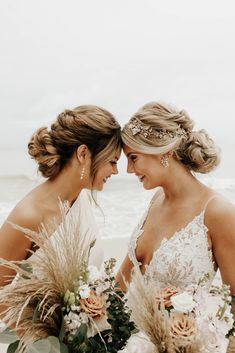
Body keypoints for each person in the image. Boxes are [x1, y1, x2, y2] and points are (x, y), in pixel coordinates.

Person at [116, 102, 235, 352]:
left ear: (163, 152)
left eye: (133, 158)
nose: (129, 169)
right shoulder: (155, 201)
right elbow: (122, 282)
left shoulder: (218, 212)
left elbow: (233, 301)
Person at [0, 104, 121, 290]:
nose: (116, 171)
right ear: (83, 154)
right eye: (112, 161)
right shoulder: (29, 215)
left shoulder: (82, 199)